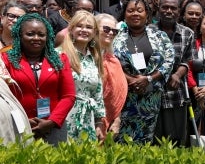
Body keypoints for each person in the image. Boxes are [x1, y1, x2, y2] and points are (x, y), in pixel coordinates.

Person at [2, 13, 75, 144]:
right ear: (20, 36)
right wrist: (23, 118)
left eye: (41, 35)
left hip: (53, 126)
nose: (36, 38)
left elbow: (68, 96)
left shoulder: (60, 59)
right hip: (19, 125)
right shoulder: (5, 60)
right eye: (30, 34)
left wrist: (52, 121)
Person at [115, 0, 174, 144]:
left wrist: (148, 79)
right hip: (124, 98)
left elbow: (169, 61)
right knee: (121, 140)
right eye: (130, 10)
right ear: (124, 14)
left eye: (139, 10)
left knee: (145, 141)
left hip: (150, 99)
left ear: (147, 14)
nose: (135, 13)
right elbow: (109, 61)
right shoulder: (116, 37)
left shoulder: (159, 36)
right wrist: (131, 80)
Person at [155, 0, 195, 147]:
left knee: (177, 140)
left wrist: (178, 74)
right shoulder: (148, 31)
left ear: (179, 11)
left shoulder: (187, 33)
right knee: (155, 141)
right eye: (165, 7)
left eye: (173, 8)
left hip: (176, 95)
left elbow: (188, 60)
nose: (169, 11)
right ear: (158, 9)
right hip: (153, 95)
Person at [60, 11, 105, 140]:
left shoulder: (95, 57)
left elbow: (98, 93)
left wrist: (99, 123)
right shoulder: (60, 55)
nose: (84, 30)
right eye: (79, 26)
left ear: (94, 32)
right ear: (72, 29)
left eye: (89, 27)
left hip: (88, 119)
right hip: (65, 116)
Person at [94, 14, 127, 141]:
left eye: (115, 31)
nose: (111, 33)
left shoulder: (113, 60)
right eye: (106, 29)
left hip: (108, 121)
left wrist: (117, 120)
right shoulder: (83, 58)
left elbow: (117, 94)